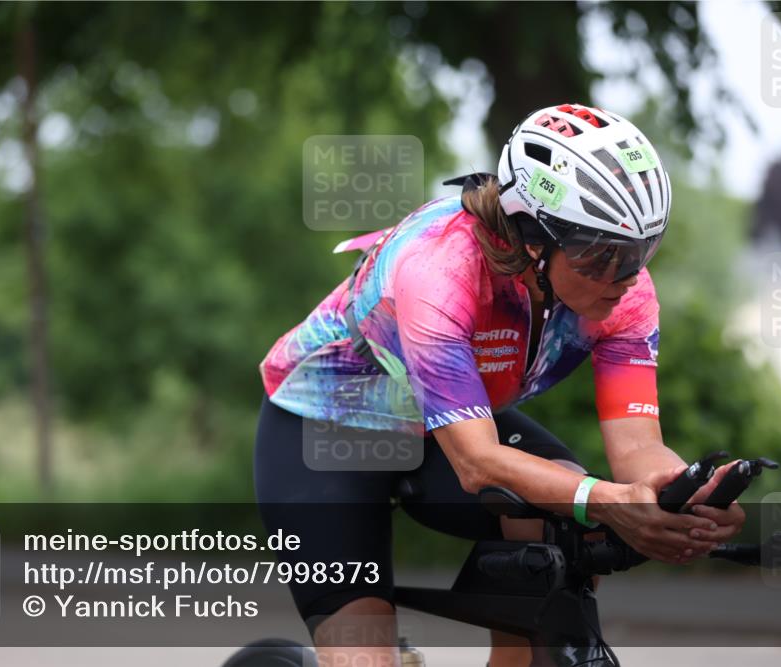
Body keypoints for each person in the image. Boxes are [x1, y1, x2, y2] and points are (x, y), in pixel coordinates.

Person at [255, 103, 746, 666]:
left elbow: (638, 448)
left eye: (639, 253)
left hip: (436, 423)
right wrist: (609, 502)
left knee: (565, 519)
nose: (623, 277)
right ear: (533, 240)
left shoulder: (625, 293)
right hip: (323, 427)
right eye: (599, 257)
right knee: (367, 656)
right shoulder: (440, 270)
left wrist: (679, 497)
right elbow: (477, 463)